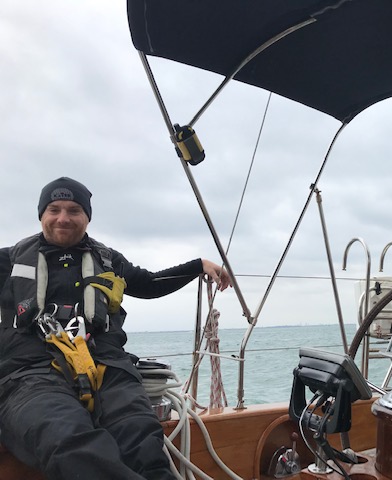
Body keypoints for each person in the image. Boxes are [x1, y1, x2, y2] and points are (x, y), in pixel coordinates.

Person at [0, 177, 231, 480]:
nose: (63, 218)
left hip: (106, 366)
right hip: (31, 372)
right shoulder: (8, 261)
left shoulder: (107, 260)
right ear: (41, 214)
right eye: (54, 209)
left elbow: (150, 284)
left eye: (74, 210)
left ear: (87, 217)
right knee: (67, 439)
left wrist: (197, 265)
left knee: (142, 441)